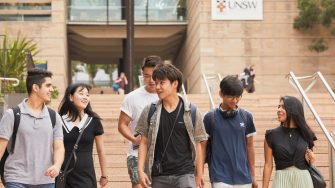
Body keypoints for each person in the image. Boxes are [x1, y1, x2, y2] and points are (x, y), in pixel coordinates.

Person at [136, 63, 208, 188]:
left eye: (162, 83)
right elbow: (144, 142)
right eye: (156, 83)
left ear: (175, 84)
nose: (157, 87)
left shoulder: (192, 111)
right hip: (159, 175)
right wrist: (140, 170)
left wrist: (199, 173)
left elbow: (199, 143)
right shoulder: (150, 110)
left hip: (185, 174)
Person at [0, 68, 65, 188]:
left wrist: (57, 165)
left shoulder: (54, 117)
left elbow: (59, 147)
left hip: (46, 180)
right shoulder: (12, 114)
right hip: (16, 179)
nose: (51, 89)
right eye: (48, 85)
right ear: (35, 88)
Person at [201, 75, 257, 188]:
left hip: (244, 177)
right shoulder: (209, 118)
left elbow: (250, 147)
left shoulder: (247, 117)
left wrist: (253, 176)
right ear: (221, 94)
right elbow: (202, 147)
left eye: (238, 97)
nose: (235, 101)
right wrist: (200, 172)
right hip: (220, 176)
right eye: (231, 97)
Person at [118, 55, 161, 188]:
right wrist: (134, 139)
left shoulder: (167, 96)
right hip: (136, 154)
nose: (151, 80)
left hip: (161, 154)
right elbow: (122, 125)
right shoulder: (132, 97)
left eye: (154, 75)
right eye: (146, 75)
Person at [58, 83, 108, 188]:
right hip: (64, 176)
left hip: (86, 177)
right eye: (81, 93)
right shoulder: (59, 121)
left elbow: (101, 150)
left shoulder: (94, 121)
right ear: (71, 97)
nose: (85, 97)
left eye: (87, 95)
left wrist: (104, 175)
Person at [262, 96, 316, 188]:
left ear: (293, 110)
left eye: (283, 107)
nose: (279, 109)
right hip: (281, 180)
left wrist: (311, 159)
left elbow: (309, 162)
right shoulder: (271, 135)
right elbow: (268, 165)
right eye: (278, 107)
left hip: (303, 180)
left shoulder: (306, 134)